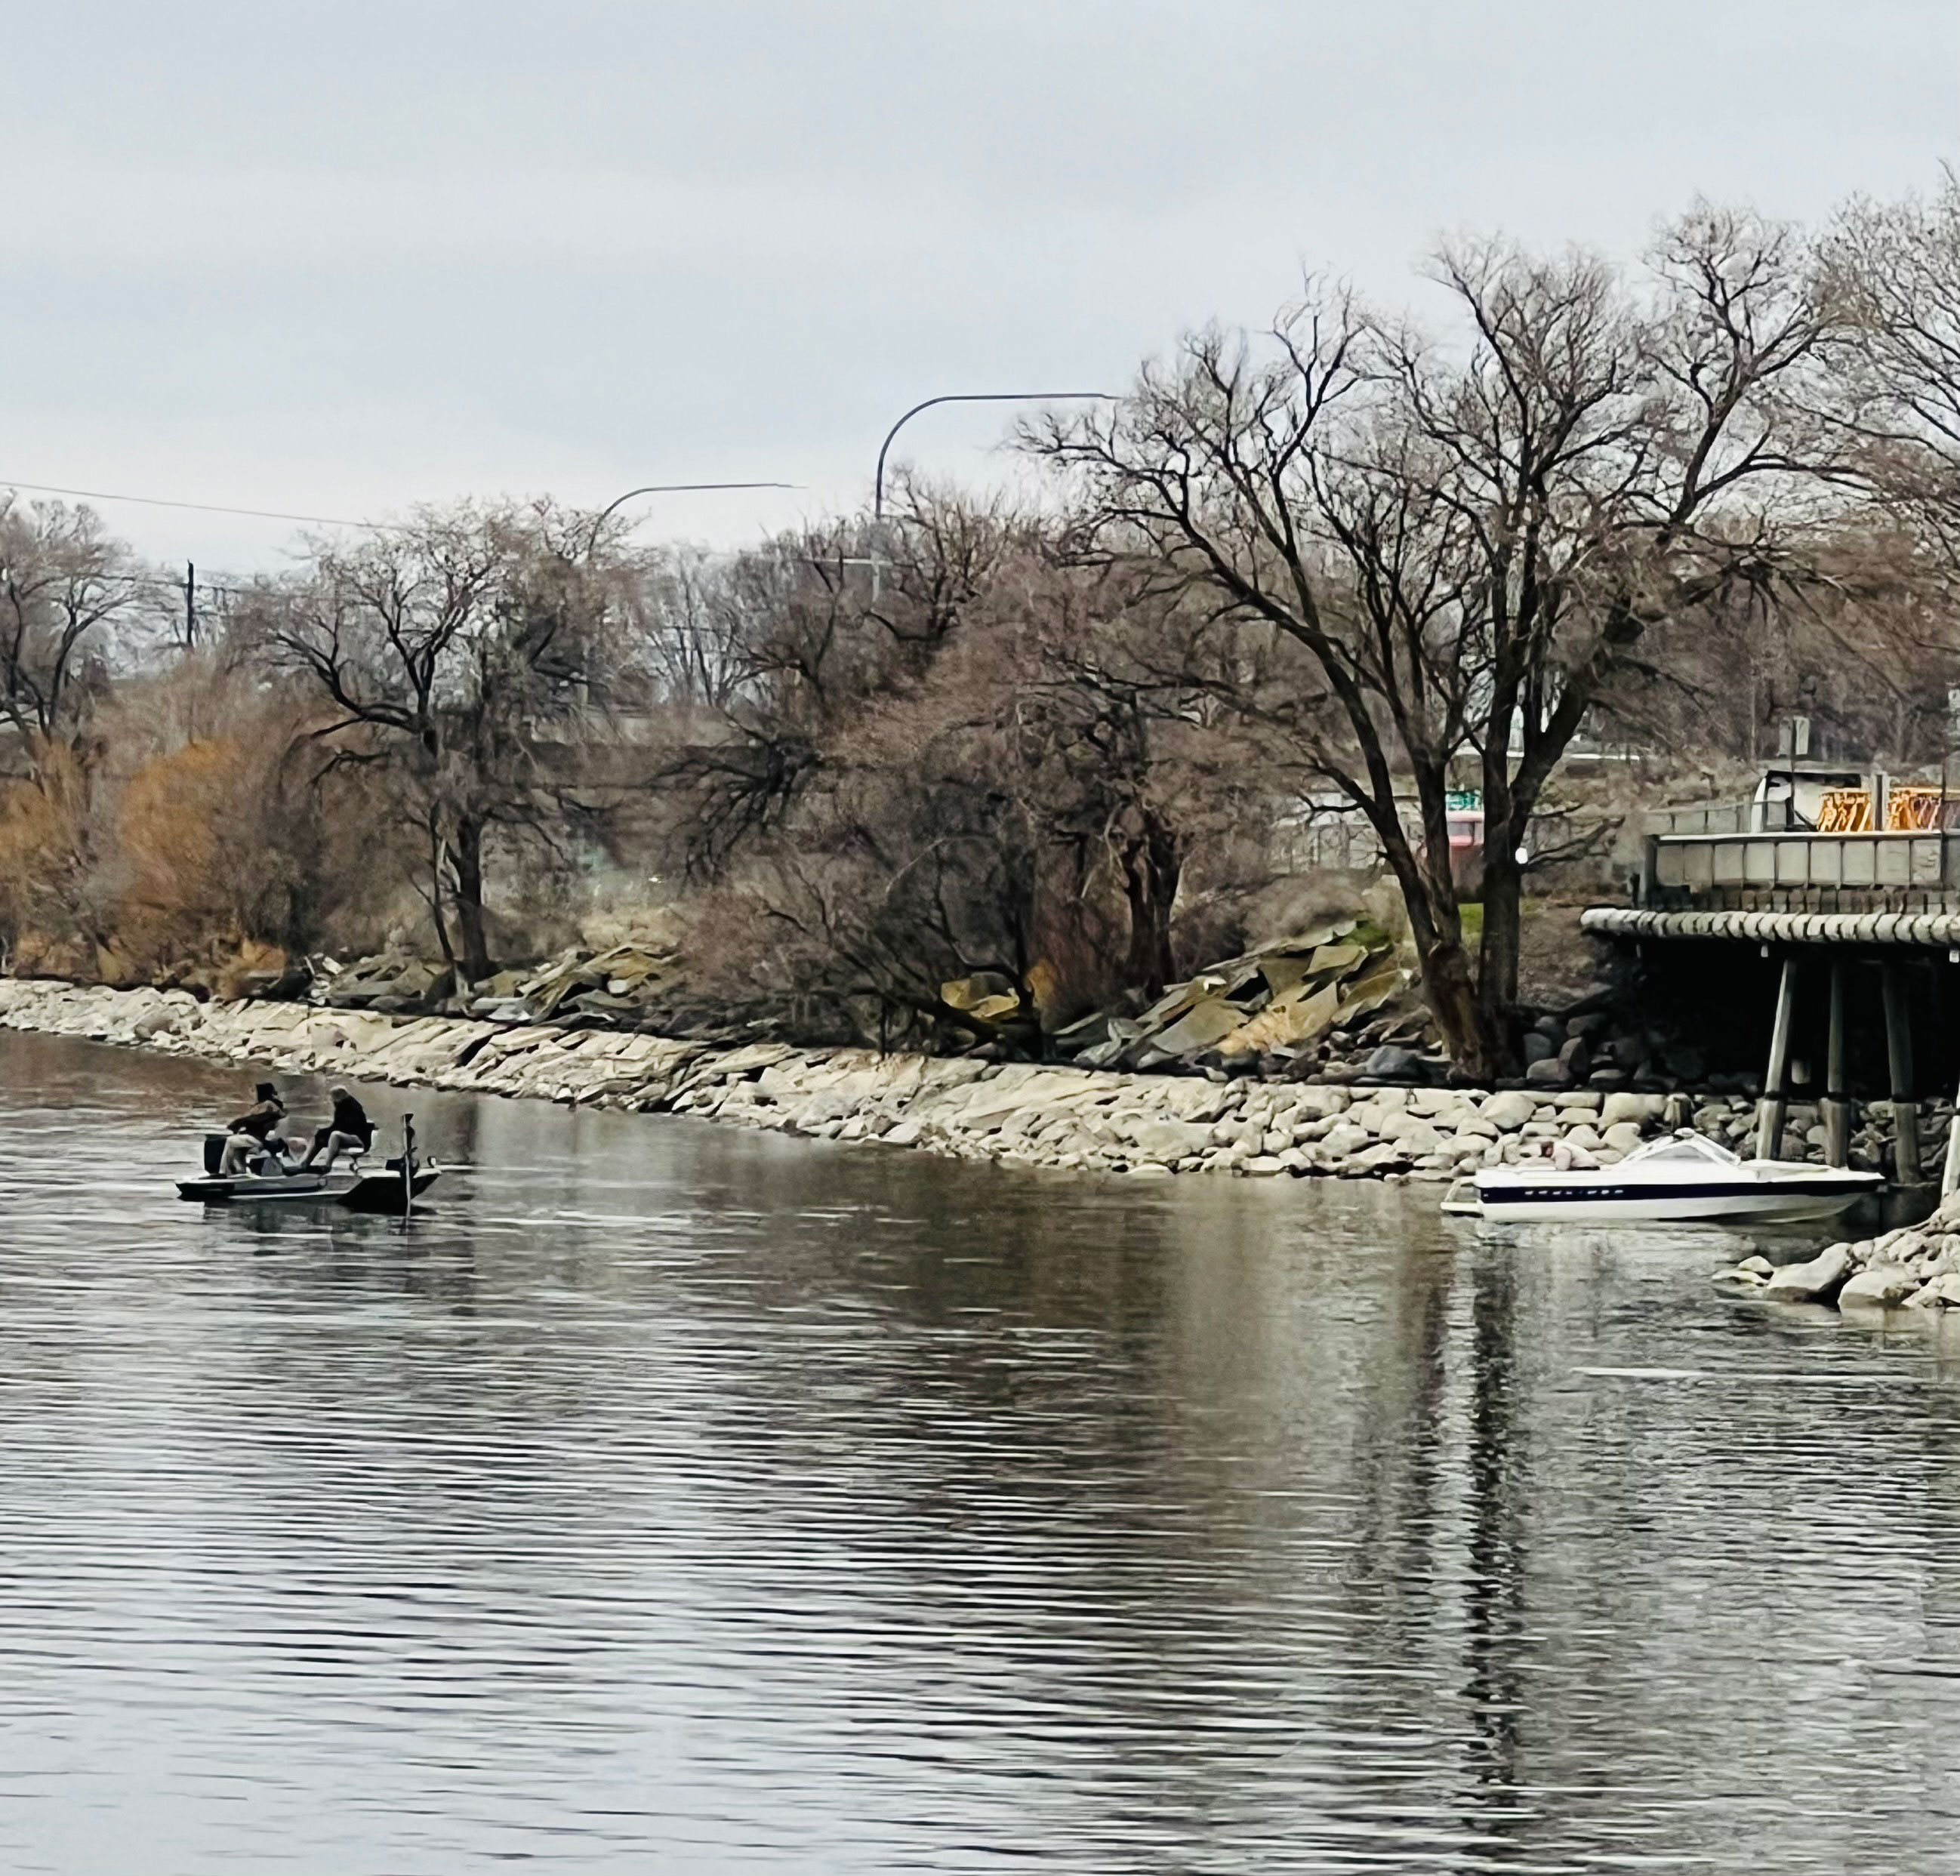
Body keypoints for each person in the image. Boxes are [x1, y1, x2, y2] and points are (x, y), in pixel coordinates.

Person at [298, 1085, 375, 1174]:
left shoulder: (354, 1107)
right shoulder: (341, 1105)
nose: (332, 1100)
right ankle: (304, 1163)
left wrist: (330, 1131)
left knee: (335, 1135)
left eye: (333, 1098)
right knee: (318, 1135)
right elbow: (338, 1124)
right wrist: (323, 1133)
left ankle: (327, 1165)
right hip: (348, 1134)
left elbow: (352, 1127)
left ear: (340, 1096)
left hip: (359, 1137)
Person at [219, 1083, 290, 1176]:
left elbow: (255, 1117)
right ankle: (239, 1173)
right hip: (253, 1138)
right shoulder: (262, 1106)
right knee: (238, 1150)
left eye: (254, 1091)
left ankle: (222, 1173)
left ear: (261, 1092)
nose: (252, 1094)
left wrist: (239, 1122)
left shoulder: (269, 1104)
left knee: (229, 1142)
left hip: (259, 1140)